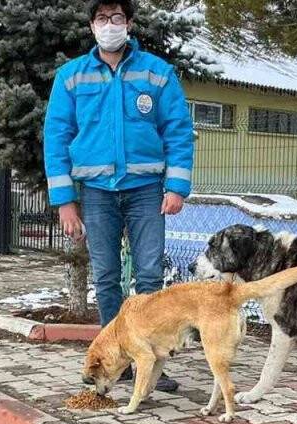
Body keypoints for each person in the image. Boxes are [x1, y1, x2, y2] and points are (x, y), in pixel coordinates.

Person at [44, 0, 195, 392]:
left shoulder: (157, 73)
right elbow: (56, 139)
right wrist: (65, 201)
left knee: (149, 277)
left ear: (128, 23)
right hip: (96, 193)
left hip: (146, 191)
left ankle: (153, 364)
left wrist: (176, 187)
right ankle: (120, 360)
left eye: (116, 18)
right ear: (92, 24)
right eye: (101, 18)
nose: (109, 25)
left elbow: (178, 131)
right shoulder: (71, 77)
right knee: (108, 278)